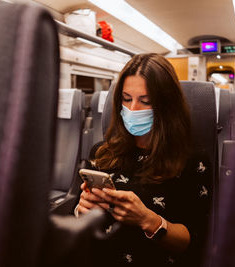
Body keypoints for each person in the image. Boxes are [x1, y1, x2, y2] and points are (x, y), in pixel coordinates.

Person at [75, 53, 212, 266]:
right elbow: (82, 224)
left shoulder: (193, 162)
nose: (133, 110)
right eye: (126, 99)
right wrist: (82, 210)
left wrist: (147, 219)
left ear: (167, 106)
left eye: (145, 101)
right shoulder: (102, 154)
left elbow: (193, 242)